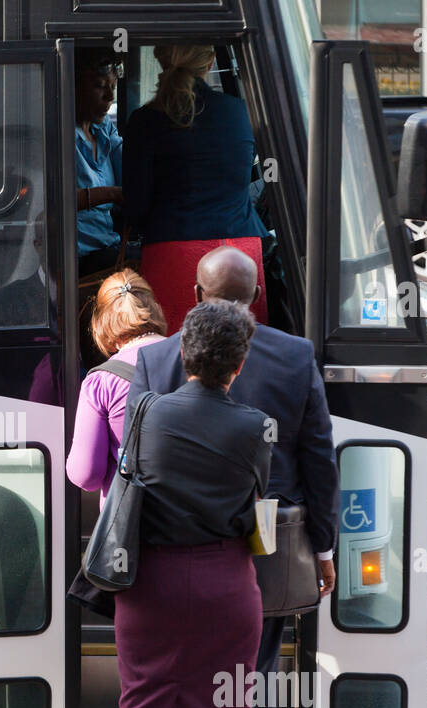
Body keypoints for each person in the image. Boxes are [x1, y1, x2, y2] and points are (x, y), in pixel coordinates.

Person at [129, 245, 339, 708]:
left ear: (194, 297)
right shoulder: (296, 357)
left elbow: (135, 463)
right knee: (254, 686)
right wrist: (323, 548)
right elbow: (318, 461)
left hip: (167, 552)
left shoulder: (155, 358)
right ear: (255, 302)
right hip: (264, 552)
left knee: (159, 695)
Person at [112, 300, 270, 708]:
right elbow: (257, 508)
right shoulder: (255, 429)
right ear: (240, 363)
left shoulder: (146, 412)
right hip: (226, 587)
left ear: (182, 352)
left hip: (149, 587)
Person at [122, 45, 269, 335]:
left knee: (178, 351)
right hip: (241, 249)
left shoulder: (144, 121)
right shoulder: (240, 111)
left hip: (174, 252)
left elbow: (136, 205)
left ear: (159, 57)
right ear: (211, 59)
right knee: (244, 349)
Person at [65, 269, 165, 500]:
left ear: (102, 322)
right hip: (193, 518)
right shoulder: (194, 359)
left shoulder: (102, 382)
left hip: (136, 522)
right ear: (155, 308)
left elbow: (86, 476)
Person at [74, 49, 123, 276]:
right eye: (99, 86)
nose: (109, 97)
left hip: (108, 246)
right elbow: (53, 203)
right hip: (79, 258)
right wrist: (111, 194)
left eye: (112, 86)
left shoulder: (103, 130)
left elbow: (129, 168)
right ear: (74, 88)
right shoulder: (59, 137)